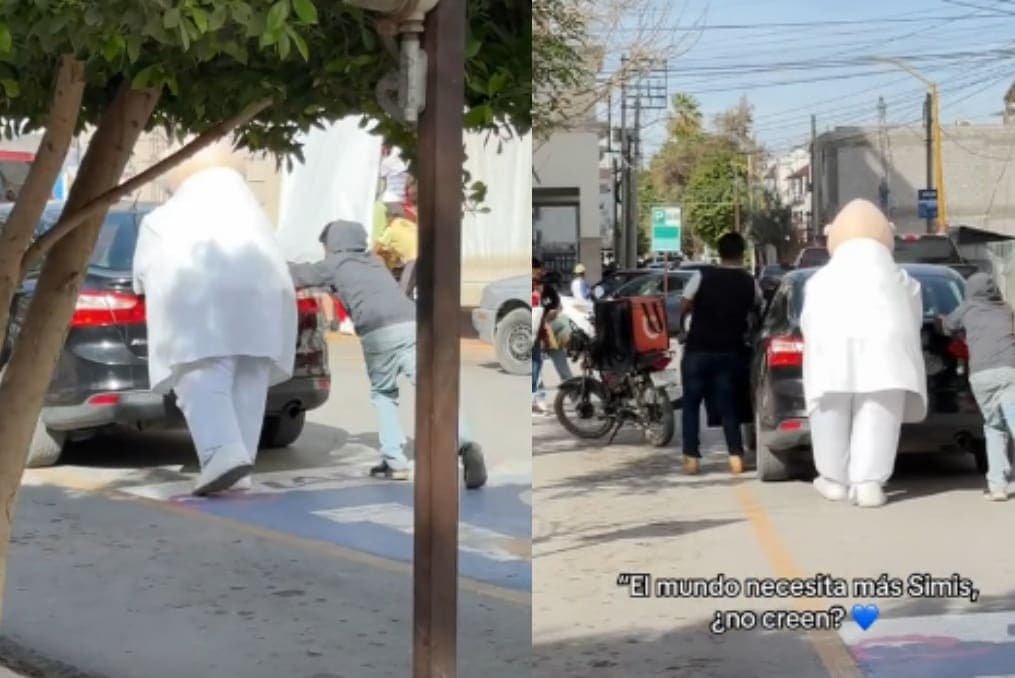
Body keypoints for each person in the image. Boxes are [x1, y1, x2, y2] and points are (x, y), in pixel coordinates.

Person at [133, 140, 297, 496]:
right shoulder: (253, 214)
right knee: (248, 384)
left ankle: (221, 453)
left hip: (201, 308)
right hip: (266, 309)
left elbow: (142, 272)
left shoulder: (164, 217)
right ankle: (239, 467)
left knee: (200, 378)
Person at [287, 220, 487, 489]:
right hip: (412, 325)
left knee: (384, 394)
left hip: (378, 330)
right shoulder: (374, 262)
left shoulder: (335, 264)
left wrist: (270, 263)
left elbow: (297, 276)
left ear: (333, 244)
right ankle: (466, 443)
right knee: (434, 389)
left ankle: (394, 461)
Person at [801, 199, 926, 508]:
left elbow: (806, 322)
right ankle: (868, 482)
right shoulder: (902, 280)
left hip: (830, 358)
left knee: (830, 413)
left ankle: (833, 479)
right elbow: (915, 315)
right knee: (879, 412)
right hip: (887, 358)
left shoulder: (820, 280)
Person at [677, 232, 760, 475]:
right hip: (730, 352)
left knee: (691, 404)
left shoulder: (701, 276)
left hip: (698, 350)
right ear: (741, 253)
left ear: (720, 252)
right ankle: (736, 457)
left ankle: (691, 458)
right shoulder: (749, 281)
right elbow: (758, 307)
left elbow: (683, 305)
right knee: (728, 404)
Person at [939, 273, 1015, 501]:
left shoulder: (967, 308)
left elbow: (948, 327)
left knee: (994, 427)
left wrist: (941, 319)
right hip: (1010, 372)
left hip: (981, 375)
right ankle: (997, 483)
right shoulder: (1005, 309)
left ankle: (997, 486)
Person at [532, 258, 573, 414]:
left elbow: (558, 306)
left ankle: (575, 398)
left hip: (551, 334)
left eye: (541, 269)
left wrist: (554, 313)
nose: (540, 272)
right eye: (537, 269)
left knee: (563, 368)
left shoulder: (548, 289)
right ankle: (539, 400)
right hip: (536, 334)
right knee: (536, 367)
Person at [374, 202, 418, 298]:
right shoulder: (411, 225)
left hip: (414, 259)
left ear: (389, 218)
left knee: (402, 292)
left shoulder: (391, 229)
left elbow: (376, 249)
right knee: (410, 290)